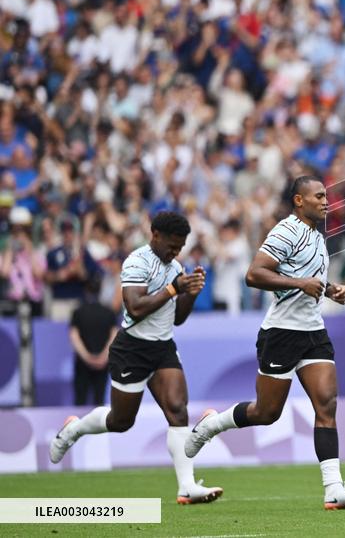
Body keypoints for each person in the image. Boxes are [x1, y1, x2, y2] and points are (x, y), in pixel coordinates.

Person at [184, 176, 345, 511]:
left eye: (326, 196)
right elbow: (255, 274)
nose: (326, 201)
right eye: (319, 196)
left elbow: (310, 278)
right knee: (266, 412)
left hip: (313, 332)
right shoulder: (286, 231)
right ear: (299, 201)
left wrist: (331, 289)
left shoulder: (316, 236)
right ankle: (212, 424)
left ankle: (333, 488)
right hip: (282, 332)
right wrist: (300, 282)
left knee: (326, 406)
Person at [49, 212, 223, 505]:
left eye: (180, 247)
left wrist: (191, 293)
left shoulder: (176, 266)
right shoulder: (136, 262)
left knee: (178, 410)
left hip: (163, 347)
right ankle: (74, 429)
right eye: (172, 245)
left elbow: (177, 318)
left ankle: (187, 486)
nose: (175, 252)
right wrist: (174, 288)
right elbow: (135, 306)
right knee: (121, 421)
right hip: (133, 348)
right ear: (155, 235)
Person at [69, 281, 118, 406]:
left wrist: (86, 357)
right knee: (99, 400)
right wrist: (103, 357)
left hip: (82, 363)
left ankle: (79, 426)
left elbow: (74, 336)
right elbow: (114, 335)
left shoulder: (78, 312)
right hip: (103, 363)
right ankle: (99, 425)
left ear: (86, 290)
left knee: (80, 400)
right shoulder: (109, 312)